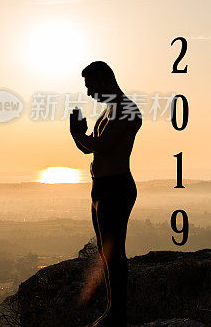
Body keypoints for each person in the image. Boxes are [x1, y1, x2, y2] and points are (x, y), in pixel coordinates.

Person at [70, 61, 141, 327]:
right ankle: (113, 310)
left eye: (90, 87)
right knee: (104, 251)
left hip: (116, 186)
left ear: (103, 81)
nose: (89, 94)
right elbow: (90, 149)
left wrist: (79, 134)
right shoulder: (109, 111)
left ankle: (117, 314)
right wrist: (77, 135)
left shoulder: (126, 109)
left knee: (113, 252)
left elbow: (105, 145)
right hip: (101, 188)